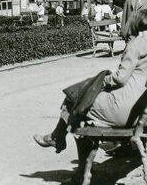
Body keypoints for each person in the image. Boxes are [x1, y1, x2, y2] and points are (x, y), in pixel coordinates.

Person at [34, 9, 147, 156]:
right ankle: (58, 137)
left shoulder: (137, 44)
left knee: (78, 100)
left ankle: (65, 148)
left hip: (127, 109)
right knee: (84, 93)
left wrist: (105, 80)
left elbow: (121, 78)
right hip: (142, 109)